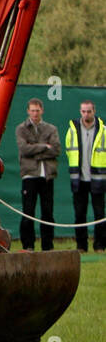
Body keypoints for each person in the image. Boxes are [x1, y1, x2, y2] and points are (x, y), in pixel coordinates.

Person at [16, 97, 59, 252]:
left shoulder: (51, 129)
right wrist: (43, 147)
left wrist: (35, 149)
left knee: (47, 212)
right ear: (28, 111)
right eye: (32, 110)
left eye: (37, 110)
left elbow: (56, 149)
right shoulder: (21, 129)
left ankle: (48, 246)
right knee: (28, 211)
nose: (35, 113)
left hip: (47, 176)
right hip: (29, 176)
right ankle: (28, 245)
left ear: (42, 111)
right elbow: (24, 149)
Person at [64, 99, 106, 252]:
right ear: (80, 111)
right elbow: (69, 150)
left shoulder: (103, 130)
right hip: (79, 179)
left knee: (100, 214)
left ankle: (100, 245)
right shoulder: (72, 130)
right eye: (83, 111)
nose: (86, 114)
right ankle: (81, 246)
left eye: (89, 111)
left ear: (94, 111)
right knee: (79, 214)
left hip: (98, 179)